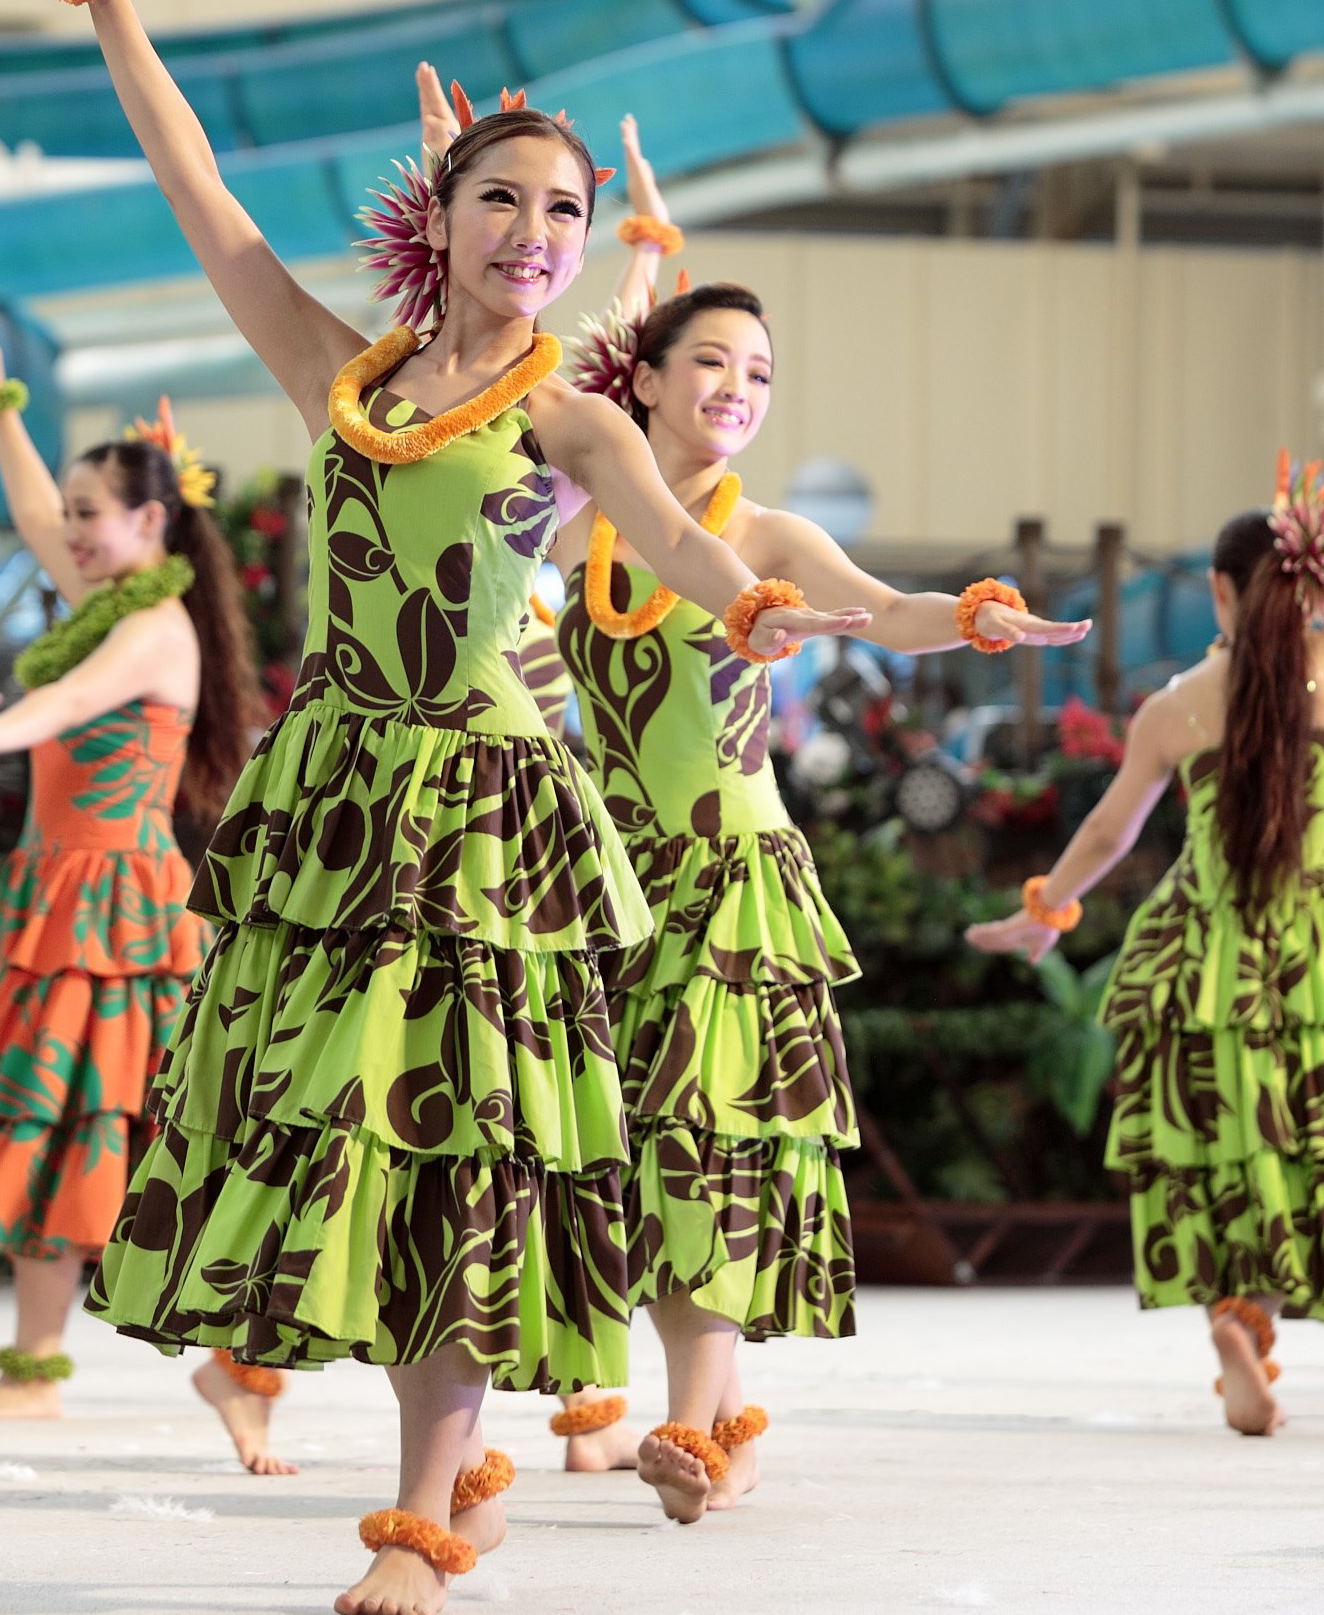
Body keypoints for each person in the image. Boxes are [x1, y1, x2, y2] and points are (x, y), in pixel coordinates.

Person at [32, 0, 877, 1615]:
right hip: (341, 792)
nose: (540, 231)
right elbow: (202, 200)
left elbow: (672, 543)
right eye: (507, 197)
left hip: (492, 810)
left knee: (465, 1133)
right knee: (322, 1121)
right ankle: (440, 1456)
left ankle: (421, 1510)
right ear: (446, 216)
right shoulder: (333, 372)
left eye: (566, 212)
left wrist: (772, 604)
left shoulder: (578, 421)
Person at [544, 178, 1088, 1520]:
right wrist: (635, 253)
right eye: (712, 362)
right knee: (605, 1146)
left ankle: (685, 1429)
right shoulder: (579, 520)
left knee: (709, 1142)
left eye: (762, 372)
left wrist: (966, 616)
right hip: (599, 882)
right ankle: (706, 1417)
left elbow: (885, 610)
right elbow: (547, 385)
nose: (739, 386)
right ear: (648, 382)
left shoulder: (767, 535)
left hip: (726, 881)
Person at [0, 314, 284, 1470]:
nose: (66, 532)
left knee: (156, 1135)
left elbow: (57, 711)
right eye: (70, 516)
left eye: (90, 517)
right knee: (57, 1116)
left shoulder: (148, 632)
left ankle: (243, 1363)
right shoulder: (104, 603)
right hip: (73, 897)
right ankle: (44, 1370)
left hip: (120, 908)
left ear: (151, 523)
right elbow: (31, 512)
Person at [969, 468, 1324, 1438]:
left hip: (1205, 954)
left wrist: (1047, 908)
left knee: (1226, 1148)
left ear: (1219, 589)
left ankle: (1235, 1315)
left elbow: (1109, 833)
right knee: (1304, 1147)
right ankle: (1261, 1316)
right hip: (1312, 956)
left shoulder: (1178, 705)